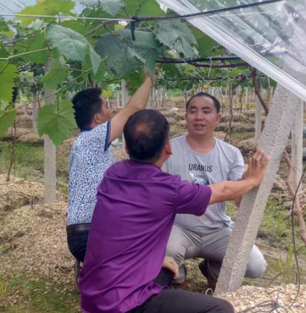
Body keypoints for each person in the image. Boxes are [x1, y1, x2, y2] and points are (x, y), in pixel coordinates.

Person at [79, 109, 269, 313]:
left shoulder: (113, 174)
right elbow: (220, 191)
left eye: (206, 111)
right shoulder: (168, 189)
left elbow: (121, 231)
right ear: (168, 147)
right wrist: (253, 180)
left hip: (92, 295)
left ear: (126, 147)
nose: (199, 117)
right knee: (220, 309)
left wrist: (157, 259)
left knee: (166, 269)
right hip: (126, 304)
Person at [163, 92, 267, 289]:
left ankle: (213, 269)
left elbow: (238, 201)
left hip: (217, 229)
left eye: (206, 111)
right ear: (185, 116)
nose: (199, 117)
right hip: (180, 228)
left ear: (217, 118)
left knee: (255, 266)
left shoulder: (231, 153)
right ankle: (177, 276)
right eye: (193, 111)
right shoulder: (169, 150)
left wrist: (247, 181)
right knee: (165, 251)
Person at [66, 72, 153, 263]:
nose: (112, 110)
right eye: (107, 106)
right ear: (97, 118)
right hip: (90, 233)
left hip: (83, 231)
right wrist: (149, 78)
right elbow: (135, 108)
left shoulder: (84, 142)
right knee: (147, 250)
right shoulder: (93, 138)